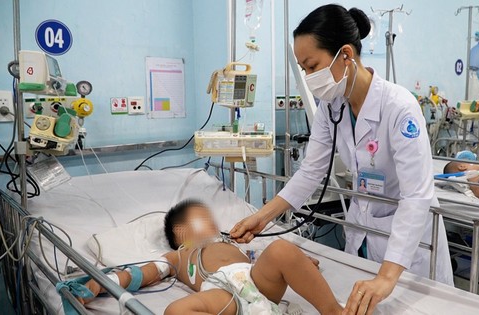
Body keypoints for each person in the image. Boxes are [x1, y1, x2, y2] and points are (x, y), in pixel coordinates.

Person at [230, 4, 453, 315]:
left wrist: (387, 277)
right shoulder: (331, 107)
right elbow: (311, 171)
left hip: (410, 247)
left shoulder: (399, 107)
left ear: (346, 55)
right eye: (303, 69)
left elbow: (417, 195)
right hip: (365, 233)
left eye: (312, 66)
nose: (308, 78)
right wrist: (264, 216)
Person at [81, 200, 343, 315]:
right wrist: (100, 283)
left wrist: (300, 264)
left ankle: (333, 312)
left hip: (256, 281)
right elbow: (142, 274)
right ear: (181, 235)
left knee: (281, 249)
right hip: (221, 292)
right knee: (176, 310)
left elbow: (271, 262)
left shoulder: (231, 243)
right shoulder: (176, 257)